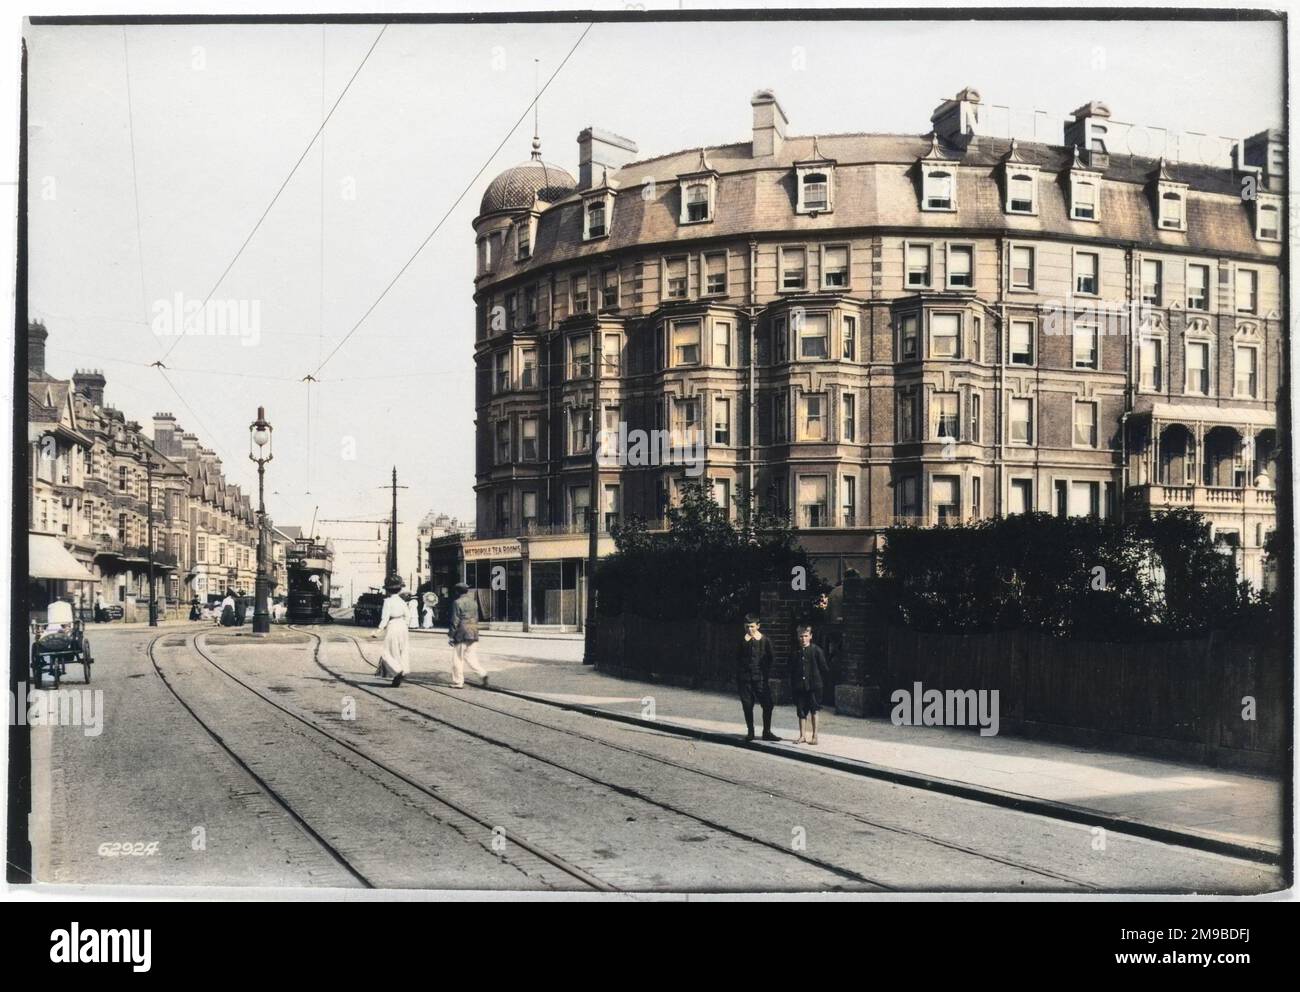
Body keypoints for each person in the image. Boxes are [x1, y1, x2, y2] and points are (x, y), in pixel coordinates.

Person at [736, 614, 780, 742]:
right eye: (747, 626)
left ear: (758, 626)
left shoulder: (764, 640)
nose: (750, 629)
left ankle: (767, 732)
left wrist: (764, 672)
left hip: (760, 678)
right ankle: (750, 732)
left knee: (768, 704)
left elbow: (771, 658)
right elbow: (737, 658)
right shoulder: (742, 640)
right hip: (745, 679)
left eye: (752, 626)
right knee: (747, 705)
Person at [790, 624, 830, 745]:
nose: (803, 639)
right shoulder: (795, 652)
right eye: (801, 636)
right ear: (798, 637)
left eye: (806, 636)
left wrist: (818, 681)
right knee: (801, 711)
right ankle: (802, 735)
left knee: (814, 710)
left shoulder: (816, 651)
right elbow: (791, 669)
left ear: (811, 636)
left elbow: (824, 668)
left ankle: (815, 736)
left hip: (814, 686)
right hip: (800, 686)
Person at [447, 581, 488, 688]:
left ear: (457, 592)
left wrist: (451, 636)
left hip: (461, 633)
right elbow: (477, 617)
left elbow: (455, 620)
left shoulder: (457, 602)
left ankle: (458, 682)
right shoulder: (473, 602)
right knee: (471, 657)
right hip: (473, 631)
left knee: (457, 659)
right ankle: (482, 673)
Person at [372, 575, 410, 687]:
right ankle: (403, 668)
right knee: (402, 649)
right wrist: (405, 625)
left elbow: (385, 618)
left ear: (387, 590)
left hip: (393, 625)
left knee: (389, 651)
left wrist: (378, 630)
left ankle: (397, 670)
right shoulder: (402, 602)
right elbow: (408, 616)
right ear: (400, 589)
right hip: (402, 626)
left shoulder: (387, 601)